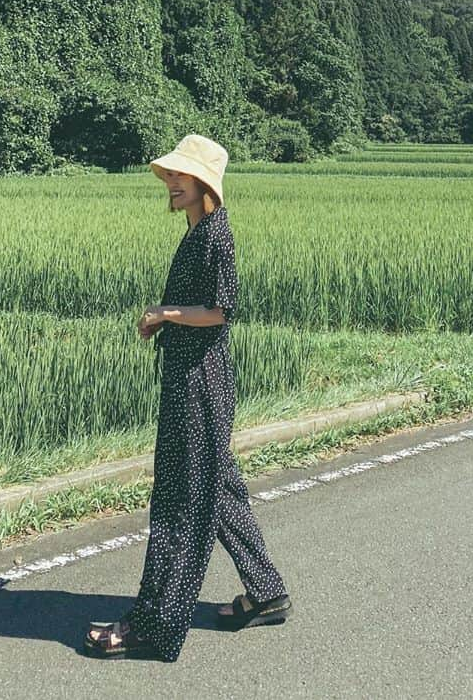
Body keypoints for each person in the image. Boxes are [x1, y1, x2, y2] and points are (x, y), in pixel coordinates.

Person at [83, 133, 292, 661]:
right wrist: (170, 320)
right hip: (199, 378)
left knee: (179, 502)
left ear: (205, 185)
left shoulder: (215, 237)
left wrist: (163, 314)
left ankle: (153, 623)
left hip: (197, 384)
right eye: (171, 175)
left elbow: (223, 309)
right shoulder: (197, 232)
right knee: (217, 489)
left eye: (181, 175)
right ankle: (265, 591)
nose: (172, 183)